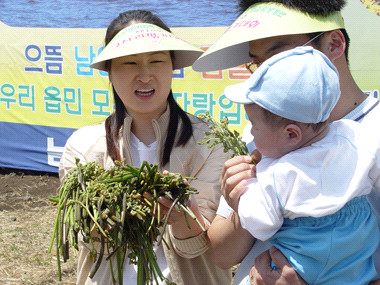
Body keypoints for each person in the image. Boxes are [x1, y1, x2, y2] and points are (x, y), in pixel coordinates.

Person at [192, 1, 380, 284]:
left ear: (334, 44)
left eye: (276, 55)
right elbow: (221, 255)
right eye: (256, 63)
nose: (263, 73)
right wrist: (239, 200)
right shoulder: (261, 132)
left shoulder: (371, 132)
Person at [59, 10, 232, 285]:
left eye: (156, 60)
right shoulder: (82, 148)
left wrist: (183, 218)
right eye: (129, 63)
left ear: (172, 66)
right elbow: (87, 233)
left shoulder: (210, 142)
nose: (145, 75)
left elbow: (207, 244)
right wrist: (111, 213)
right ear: (110, 71)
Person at [225, 45, 380, 284]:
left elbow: (262, 225)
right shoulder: (354, 135)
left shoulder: (278, 175)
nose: (251, 133)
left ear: (291, 135)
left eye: (254, 125)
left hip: (305, 262)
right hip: (357, 257)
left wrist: (241, 200)